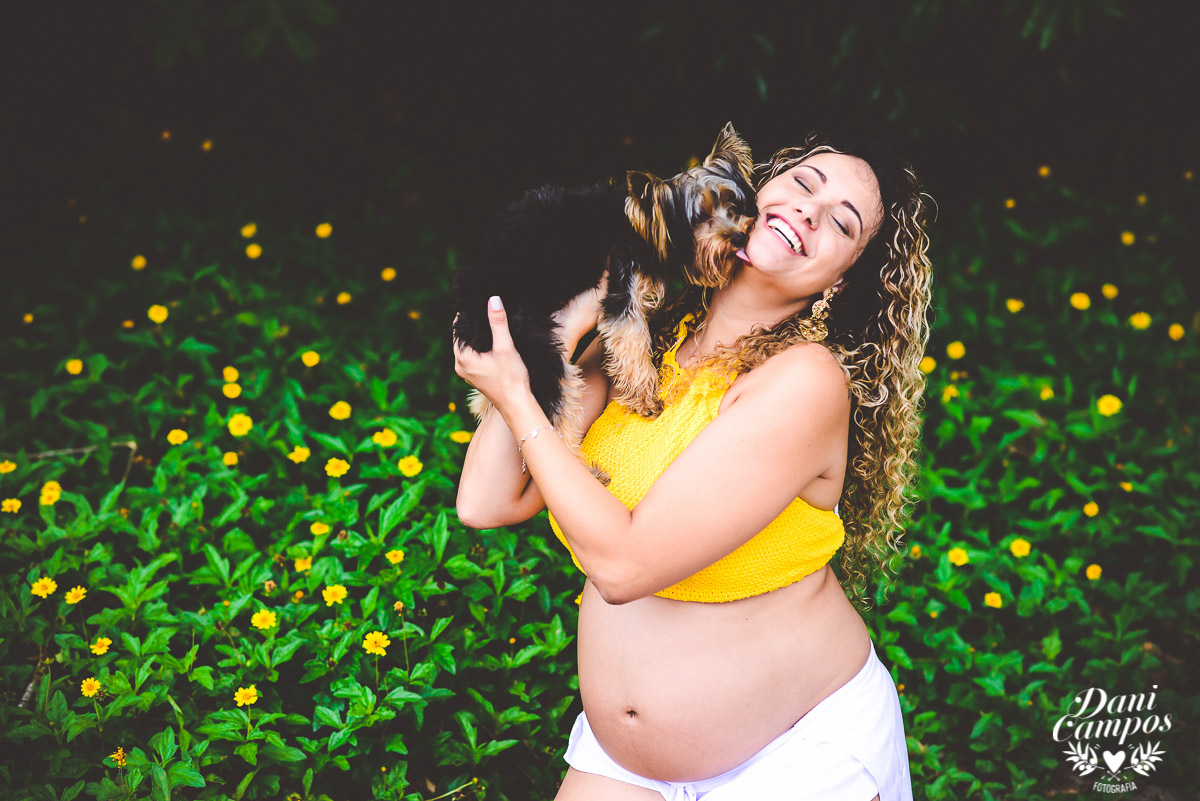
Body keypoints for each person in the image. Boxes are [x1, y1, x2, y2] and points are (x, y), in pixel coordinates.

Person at [453, 130, 932, 801]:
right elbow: (486, 499)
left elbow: (623, 566)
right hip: (626, 765)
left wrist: (516, 396)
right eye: (802, 184)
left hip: (795, 756)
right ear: (754, 192)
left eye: (841, 222)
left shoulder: (804, 382)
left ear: (842, 279)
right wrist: (559, 337)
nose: (809, 212)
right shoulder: (644, 345)